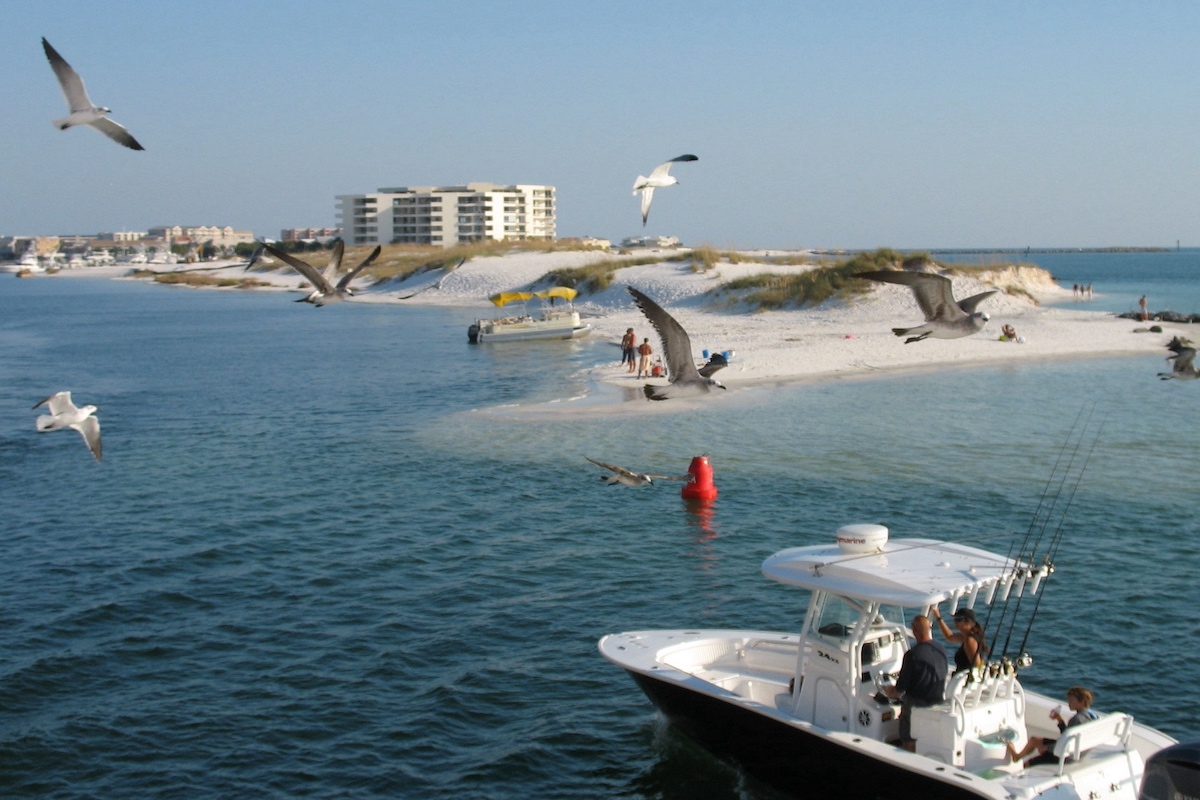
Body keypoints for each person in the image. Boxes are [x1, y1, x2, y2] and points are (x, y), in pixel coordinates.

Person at [884, 615, 947, 752]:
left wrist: (887, 691)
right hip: (937, 701)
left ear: (914, 631)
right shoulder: (941, 649)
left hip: (917, 704)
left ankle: (909, 754)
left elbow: (899, 690)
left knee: (908, 736)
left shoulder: (912, 655)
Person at [1006, 687, 1099, 766]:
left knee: (1026, 765)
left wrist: (1047, 748)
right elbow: (1067, 736)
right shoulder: (1093, 716)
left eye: (1071, 700)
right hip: (1079, 751)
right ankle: (1016, 757)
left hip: (1066, 756)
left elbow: (1065, 744)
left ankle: (1019, 760)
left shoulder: (1077, 719)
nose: (1068, 703)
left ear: (1081, 702)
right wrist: (1059, 719)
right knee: (1034, 740)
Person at [931, 606, 988, 674]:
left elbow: (977, 666)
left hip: (964, 680)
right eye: (955, 619)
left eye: (958, 619)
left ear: (968, 621)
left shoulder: (970, 640)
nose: (955, 622)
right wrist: (938, 618)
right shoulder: (967, 636)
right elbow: (950, 636)